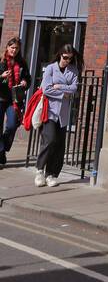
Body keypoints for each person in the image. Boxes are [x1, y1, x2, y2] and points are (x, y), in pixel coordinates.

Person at [34, 45, 79, 189]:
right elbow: (45, 89)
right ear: (60, 55)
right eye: (65, 57)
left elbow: (74, 88)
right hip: (50, 111)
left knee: (59, 145)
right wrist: (62, 94)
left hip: (63, 114)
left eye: (70, 58)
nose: (67, 60)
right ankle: (40, 170)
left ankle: (51, 174)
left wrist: (59, 86)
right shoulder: (50, 68)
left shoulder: (73, 70)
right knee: (50, 140)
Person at [0, 37, 32, 167]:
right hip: (0, 97)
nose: (14, 50)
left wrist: (25, 83)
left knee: (12, 125)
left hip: (14, 100)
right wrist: (1, 76)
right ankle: (1, 154)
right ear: (7, 47)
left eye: (16, 48)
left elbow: (28, 79)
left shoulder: (22, 63)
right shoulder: (1, 61)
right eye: (12, 47)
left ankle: (3, 149)